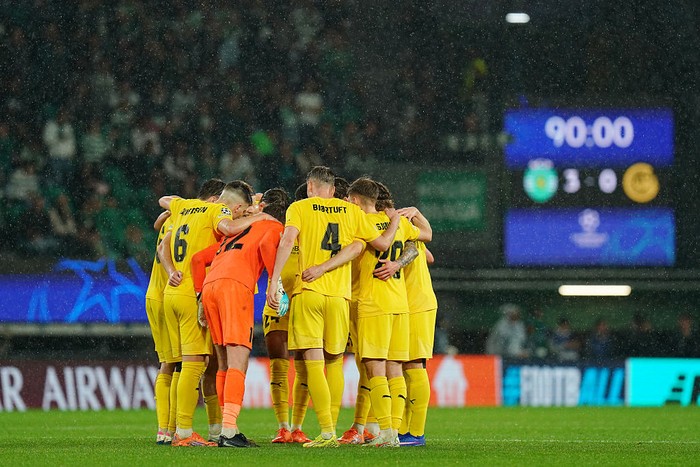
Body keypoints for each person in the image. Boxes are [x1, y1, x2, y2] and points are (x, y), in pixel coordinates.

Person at [266, 166, 400, 448]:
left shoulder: (299, 208)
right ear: (332, 188)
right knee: (334, 362)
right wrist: (395, 219)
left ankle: (326, 432)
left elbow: (288, 240)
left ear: (311, 186)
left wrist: (274, 281)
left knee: (312, 362)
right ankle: (337, 429)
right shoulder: (351, 211)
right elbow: (373, 244)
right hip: (340, 298)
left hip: (309, 292)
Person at [157, 179, 269, 447]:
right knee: (194, 365)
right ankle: (184, 432)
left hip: (171, 291)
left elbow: (164, 199)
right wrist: (261, 217)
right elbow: (229, 227)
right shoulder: (215, 211)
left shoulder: (185, 205)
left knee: (179, 365)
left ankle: (185, 429)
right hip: (192, 292)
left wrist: (170, 211)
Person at [190, 188, 291, 448]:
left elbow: (199, 259)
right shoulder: (273, 226)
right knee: (238, 360)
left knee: (223, 363)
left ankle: (226, 427)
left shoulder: (237, 229)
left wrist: (200, 295)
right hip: (235, 287)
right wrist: (274, 284)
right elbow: (270, 246)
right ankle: (230, 430)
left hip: (211, 286)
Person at [144, 209, 180, 445]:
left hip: (154, 294)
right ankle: (173, 427)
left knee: (168, 363)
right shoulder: (189, 220)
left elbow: (159, 221)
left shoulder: (173, 218)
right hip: (167, 294)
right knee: (180, 363)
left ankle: (164, 429)